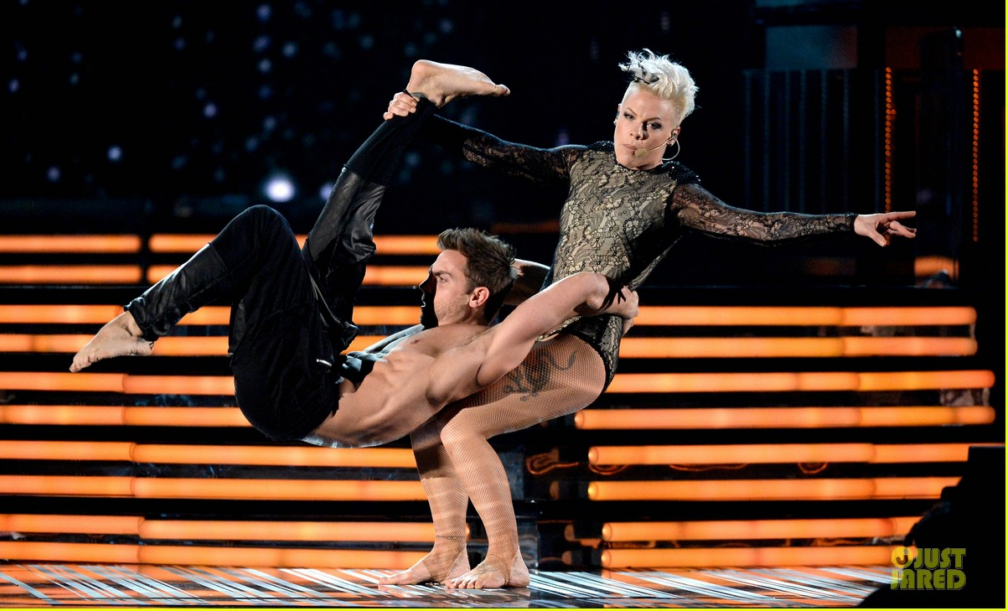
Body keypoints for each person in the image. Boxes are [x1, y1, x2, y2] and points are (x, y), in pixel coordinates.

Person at [378, 53, 918, 589]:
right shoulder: (584, 163)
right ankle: (447, 552)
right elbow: (497, 153)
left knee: (464, 427)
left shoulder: (675, 195)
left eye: (652, 126)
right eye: (629, 117)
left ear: (673, 134)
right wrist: (418, 116)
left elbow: (757, 227)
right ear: (617, 114)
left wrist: (851, 222)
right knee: (430, 413)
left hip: (585, 351)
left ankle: (505, 558)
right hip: (545, 331)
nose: (636, 133)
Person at [69, 82, 637, 451]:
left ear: (477, 297)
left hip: (290, 394)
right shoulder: (437, 334)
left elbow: (543, 307)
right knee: (346, 246)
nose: (424, 285)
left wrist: (602, 294)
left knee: (264, 227)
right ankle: (420, 97)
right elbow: (522, 281)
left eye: (440, 277)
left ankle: (139, 324)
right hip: (318, 362)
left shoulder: (470, 355)